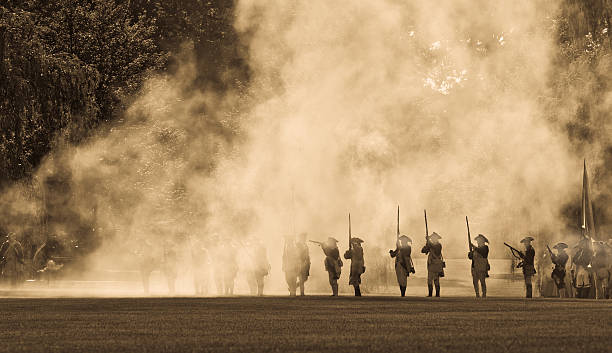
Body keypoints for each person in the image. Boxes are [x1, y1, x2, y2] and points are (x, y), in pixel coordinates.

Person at [421, 232, 444, 297]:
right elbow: (423, 251)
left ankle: (437, 294)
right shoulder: (431, 245)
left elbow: (436, 250)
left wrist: (429, 242)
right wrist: (426, 245)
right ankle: (430, 294)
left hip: (436, 264)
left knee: (436, 280)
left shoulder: (439, 245)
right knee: (429, 280)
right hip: (431, 265)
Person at [469, 234, 490, 298]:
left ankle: (484, 294)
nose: (478, 241)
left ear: (483, 241)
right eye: (478, 240)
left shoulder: (485, 247)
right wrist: (470, 253)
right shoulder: (476, 249)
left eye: (479, 240)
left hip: (482, 267)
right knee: (475, 281)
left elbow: (482, 252)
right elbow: (471, 257)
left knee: (482, 281)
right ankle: (477, 294)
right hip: (474, 266)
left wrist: (473, 247)